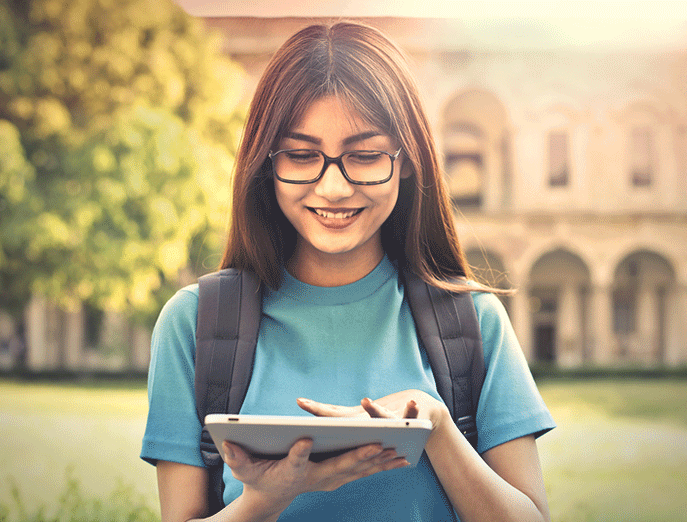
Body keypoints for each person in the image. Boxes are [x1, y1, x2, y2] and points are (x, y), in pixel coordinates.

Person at [141, 21, 555, 522]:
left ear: (406, 161)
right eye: (300, 155)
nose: (333, 188)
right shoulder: (195, 325)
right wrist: (268, 496)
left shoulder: (474, 323)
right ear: (265, 163)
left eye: (364, 155)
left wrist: (439, 430)